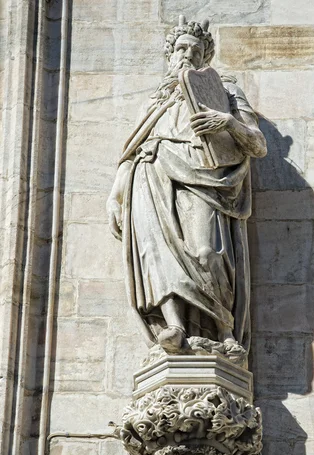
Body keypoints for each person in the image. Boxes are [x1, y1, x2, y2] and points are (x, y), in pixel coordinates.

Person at [107, 16, 267, 358]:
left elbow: (257, 145)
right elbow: (132, 149)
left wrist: (228, 123)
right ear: (170, 54)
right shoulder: (156, 99)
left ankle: (224, 331)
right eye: (181, 48)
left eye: (196, 50)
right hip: (153, 176)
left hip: (207, 177)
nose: (187, 55)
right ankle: (174, 325)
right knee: (157, 253)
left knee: (206, 252)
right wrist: (116, 195)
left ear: (205, 58)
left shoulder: (223, 91)